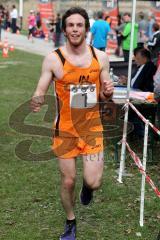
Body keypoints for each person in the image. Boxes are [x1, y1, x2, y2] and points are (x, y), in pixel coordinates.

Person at [31, 7, 114, 240]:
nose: (75, 29)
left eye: (79, 25)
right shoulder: (53, 59)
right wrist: (37, 99)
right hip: (65, 130)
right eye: (70, 25)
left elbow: (106, 92)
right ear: (65, 30)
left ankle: (88, 188)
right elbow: (40, 88)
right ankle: (70, 221)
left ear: (86, 29)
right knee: (68, 181)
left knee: (94, 181)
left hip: (91, 128)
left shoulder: (101, 58)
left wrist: (108, 90)